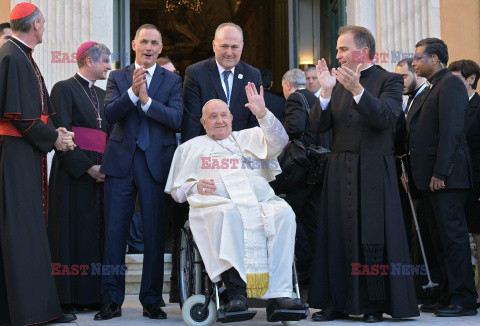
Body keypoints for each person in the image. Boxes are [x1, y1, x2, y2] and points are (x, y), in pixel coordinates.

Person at [307, 25, 419, 322]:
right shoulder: (337, 82)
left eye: (343, 49)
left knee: (373, 237)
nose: (338, 54)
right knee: (336, 234)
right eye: (338, 49)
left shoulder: (390, 81)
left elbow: (386, 118)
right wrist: (327, 91)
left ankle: (373, 305)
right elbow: (318, 127)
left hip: (373, 169)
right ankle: (335, 302)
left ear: (364, 51)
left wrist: (357, 90)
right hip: (338, 169)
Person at [166, 83, 306, 316]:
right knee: (230, 214)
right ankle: (235, 294)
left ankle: (281, 295)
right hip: (216, 206)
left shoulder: (249, 137)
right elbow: (177, 192)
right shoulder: (191, 148)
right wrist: (195, 185)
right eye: (213, 117)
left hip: (260, 202)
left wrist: (262, 114)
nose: (219, 120)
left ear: (231, 117)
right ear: (203, 122)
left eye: (223, 115)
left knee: (284, 214)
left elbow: (280, 141)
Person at [95, 23, 183, 321]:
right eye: (143, 41)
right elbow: (108, 115)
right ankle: (111, 300)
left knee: (156, 235)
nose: (148, 47)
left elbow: (176, 118)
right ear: (134, 44)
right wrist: (132, 93)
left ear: (160, 48)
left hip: (156, 164)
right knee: (114, 235)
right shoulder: (118, 77)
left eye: (154, 43)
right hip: (120, 163)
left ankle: (151, 300)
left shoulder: (172, 81)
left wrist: (146, 102)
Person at [0, 3, 77, 325]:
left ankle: (40, 308)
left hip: (25, 153)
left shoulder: (21, 55)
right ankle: (29, 312)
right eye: (43, 23)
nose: (44, 28)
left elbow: (35, 113)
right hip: (15, 155)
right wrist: (54, 139)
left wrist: (54, 130)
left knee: (30, 230)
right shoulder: (12, 56)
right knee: (22, 231)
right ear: (35, 24)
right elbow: (20, 116)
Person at [408, 38, 478, 317]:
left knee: (453, 238)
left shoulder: (449, 85)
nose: (413, 62)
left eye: (418, 58)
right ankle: (448, 293)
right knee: (439, 240)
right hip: (429, 179)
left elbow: (452, 133)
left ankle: (464, 299)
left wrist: (441, 172)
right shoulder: (432, 87)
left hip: (446, 179)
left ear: (434, 59)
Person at [47, 42, 112, 314]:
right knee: (71, 234)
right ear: (88, 60)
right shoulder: (63, 88)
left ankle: (94, 296)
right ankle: (68, 298)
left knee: (96, 236)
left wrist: (106, 167)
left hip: (101, 172)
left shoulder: (102, 93)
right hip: (73, 175)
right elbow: (61, 133)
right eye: (106, 61)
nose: (110, 66)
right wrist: (87, 168)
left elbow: (108, 136)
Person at [279, 68, 331, 291]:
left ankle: (303, 268)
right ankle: (320, 270)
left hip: (301, 170)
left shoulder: (294, 99)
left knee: (289, 216)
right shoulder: (316, 97)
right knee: (314, 220)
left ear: (287, 85)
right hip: (320, 168)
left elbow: (295, 128)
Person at [182, 22, 262, 142]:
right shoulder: (196, 73)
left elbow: (256, 119)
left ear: (242, 47)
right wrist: (193, 155)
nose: (229, 53)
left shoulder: (253, 75)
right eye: (224, 46)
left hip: (242, 150)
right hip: (207, 152)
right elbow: (192, 121)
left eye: (234, 47)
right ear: (214, 45)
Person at [448, 59, 480, 307]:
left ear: (471, 79)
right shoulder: (453, 106)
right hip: (459, 181)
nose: (452, 82)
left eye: (457, 77)